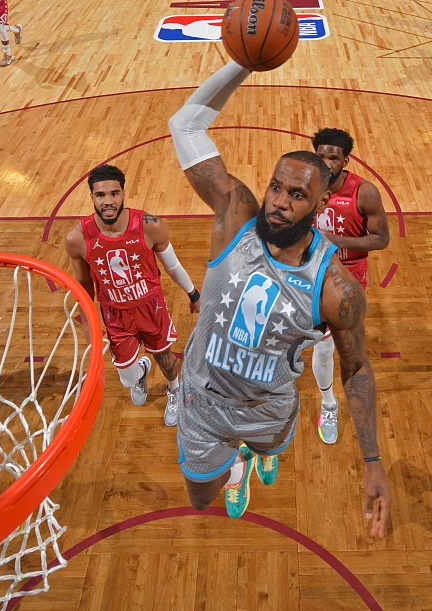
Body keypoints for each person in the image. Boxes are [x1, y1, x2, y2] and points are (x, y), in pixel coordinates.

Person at [167, 63, 391, 535]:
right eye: (275, 187)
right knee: (200, 499)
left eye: (297, 195)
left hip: (267, 406)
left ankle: (253, 452)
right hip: (202, 401)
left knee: (267, 444)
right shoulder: (236, 217)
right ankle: (236, 470)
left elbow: (356, 368)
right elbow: (184, 124)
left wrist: (372, 461)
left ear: (321, 205)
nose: (279, 202)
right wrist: (244, 62)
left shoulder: (336, 289)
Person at [65, 164, 201, 426]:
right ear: (91, 197)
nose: (108, 201)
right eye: (100, 195)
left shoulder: (150, 226)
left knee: (164, 356)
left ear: (124, 194)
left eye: (114, 193)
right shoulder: (77, 238)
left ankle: (175, 387)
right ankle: (141, 372)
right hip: (115, 314)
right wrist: (87, 324)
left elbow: (172, 266)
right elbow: (83, 284)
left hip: (151, 307)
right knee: (127, 379)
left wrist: (193, 294)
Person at [309, 128, 389, 445]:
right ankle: (327, 402)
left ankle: (337, 398)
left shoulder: (364, 192)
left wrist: (336, 241)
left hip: (350, 275)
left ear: (346, 160)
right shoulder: (304, 185)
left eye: (334, 157)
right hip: (313, 274)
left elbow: (381, 239)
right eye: (321, 156)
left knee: (340, 347)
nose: (327, 163)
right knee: (321, 345)